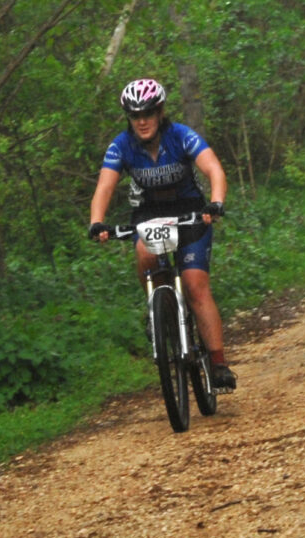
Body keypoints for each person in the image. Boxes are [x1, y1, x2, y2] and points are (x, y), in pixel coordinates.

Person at [88, 78, 236, 390]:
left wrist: (217, 202)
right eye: (135, 115)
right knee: (144, 253)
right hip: (149, 213)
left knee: (196, 285)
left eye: (148, 113)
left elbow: (214, 169)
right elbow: (105, 186)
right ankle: (157, 308)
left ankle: (219, 363)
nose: (142, 121)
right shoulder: (121, 145)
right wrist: (97, 222)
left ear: (160, 112)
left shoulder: (181, 136)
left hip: (191, 212)